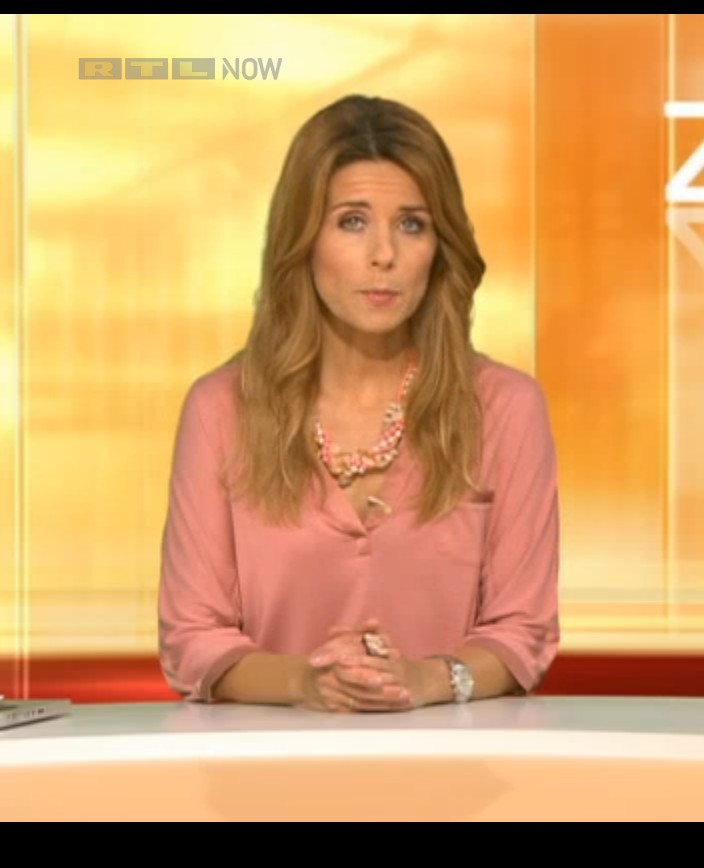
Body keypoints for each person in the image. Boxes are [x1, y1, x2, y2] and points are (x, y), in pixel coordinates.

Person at [157, 95, 560, 712]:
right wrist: (308, 683)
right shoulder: (220, 411)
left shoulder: (507, 409)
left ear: (439, 246)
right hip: (269, 767)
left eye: (411, 224)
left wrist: (425, 680)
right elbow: (194, 639)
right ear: (303, 239)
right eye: (351, 221)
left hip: (455, 768)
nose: (384, 255)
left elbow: (522, 632)